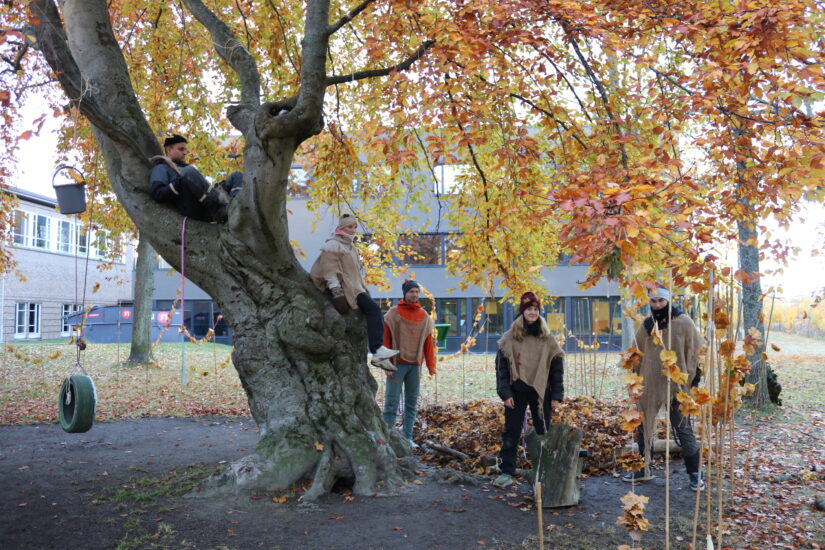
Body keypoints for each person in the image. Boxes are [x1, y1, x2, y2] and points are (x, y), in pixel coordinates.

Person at [623, 286, 705, 491]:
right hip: (650, 383)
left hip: (677, 384)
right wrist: (634, 380)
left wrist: (693, 380)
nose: (657, 304)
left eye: (661, 300)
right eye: (654, 301)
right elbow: (636, 352)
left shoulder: (683, 322)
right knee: (644, 426)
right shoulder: (647, 324)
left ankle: (695, 474)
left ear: (668, 300)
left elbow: (696, 350)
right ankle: (644, 469)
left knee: (683, 429)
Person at [309, 213, 399, 371]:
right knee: (374, 309)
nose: (353, 230)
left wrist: (365, 289)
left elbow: (356, 273)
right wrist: (337, 293)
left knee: (373, 311)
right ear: (341, 228)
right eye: (350, 226)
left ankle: (379, 353)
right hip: (347, 288)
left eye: (355, 227)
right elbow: (329, 272)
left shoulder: (350, 247)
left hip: (356, 287)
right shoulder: (332, 245)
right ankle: (377, 350)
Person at [493, 291, 565, 489]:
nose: (532, 313)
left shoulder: (547, 339)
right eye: (529, 309)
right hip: (516, 391)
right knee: (512, 432)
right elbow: (502, 368)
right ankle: (507, 471)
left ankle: (544, 472)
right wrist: (505, 393)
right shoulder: (510, 338)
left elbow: (557, 369)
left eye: (535, 309)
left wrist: (557, 395)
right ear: (522, 312)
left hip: (542, 392)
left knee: (543, 431)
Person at [381, 280, 436, 447]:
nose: (415, 294)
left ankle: (407, 438)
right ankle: (387, 438)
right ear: (405, 293)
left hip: (415, 366)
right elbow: (386, 340)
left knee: (411, 403)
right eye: (411, 291)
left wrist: (431, 365)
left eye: (417, 292)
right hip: (396, 365)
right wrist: (386, 364)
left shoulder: (424, 316)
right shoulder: (393, 313)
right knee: (391, 402)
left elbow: (428, 343)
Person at [149, 134, 243, 223]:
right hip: (194, 208)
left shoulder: (185, 167)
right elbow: (157, 193)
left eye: (186, 149)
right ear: (169, 150)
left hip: (206, 199)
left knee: (237, 175)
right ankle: (222, 207)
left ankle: (236, 205)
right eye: (181, 149)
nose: (185, 153)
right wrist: (179, 182)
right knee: (188, 171)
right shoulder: (161, 167)